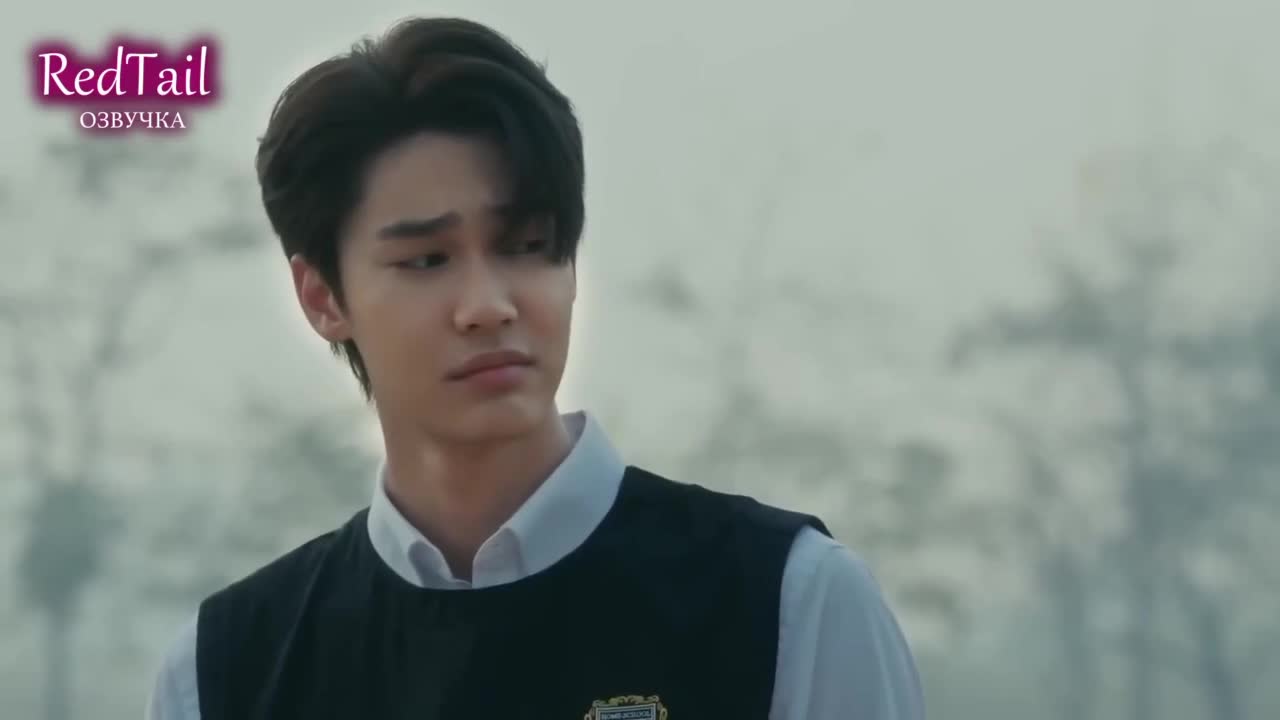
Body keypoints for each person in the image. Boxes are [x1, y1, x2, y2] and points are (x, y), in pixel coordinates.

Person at [145, 16, 925, 720]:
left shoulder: (788, 604)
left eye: (526, 247)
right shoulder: (227, 672)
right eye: (426, 259)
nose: (488, 305)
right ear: (322, 297)